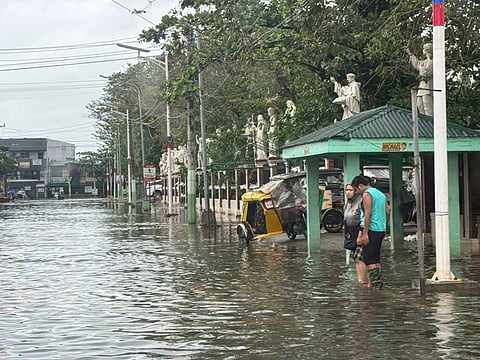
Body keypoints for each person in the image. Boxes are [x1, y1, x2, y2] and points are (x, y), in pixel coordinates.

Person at [351, 175, 391, 289]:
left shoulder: (367, 194)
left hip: (371, 229)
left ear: (360, 186)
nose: (356, 192)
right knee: (375, 259)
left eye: (355, 190)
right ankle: (375, 284)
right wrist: (385, 225)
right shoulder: (379, 193)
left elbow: (368, 214)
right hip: (380, 229)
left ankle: (375, 287)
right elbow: (388, 210)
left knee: (369, 259)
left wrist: (365, 233)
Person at [343, 183, 368, 285]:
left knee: (360, 258)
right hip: (351, 234)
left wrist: (360, 234)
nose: (348, 192)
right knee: (356, 257)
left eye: (351, 190)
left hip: (359, 233)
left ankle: (364, 281)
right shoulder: (348, 204)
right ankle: (361, 280)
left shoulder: (360, 202)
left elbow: (363, 219)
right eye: (347, 190)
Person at [407, 43, 433, 116]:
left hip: (427, 85)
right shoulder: (424, 62)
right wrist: (410, 54)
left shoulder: (431, 62)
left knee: (427, 105)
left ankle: (430, 122)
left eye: (423, 49)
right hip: (422, 85)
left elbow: (427, 72)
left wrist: (421, 74)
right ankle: (424, 122)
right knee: (419, 105)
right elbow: (417, 63)